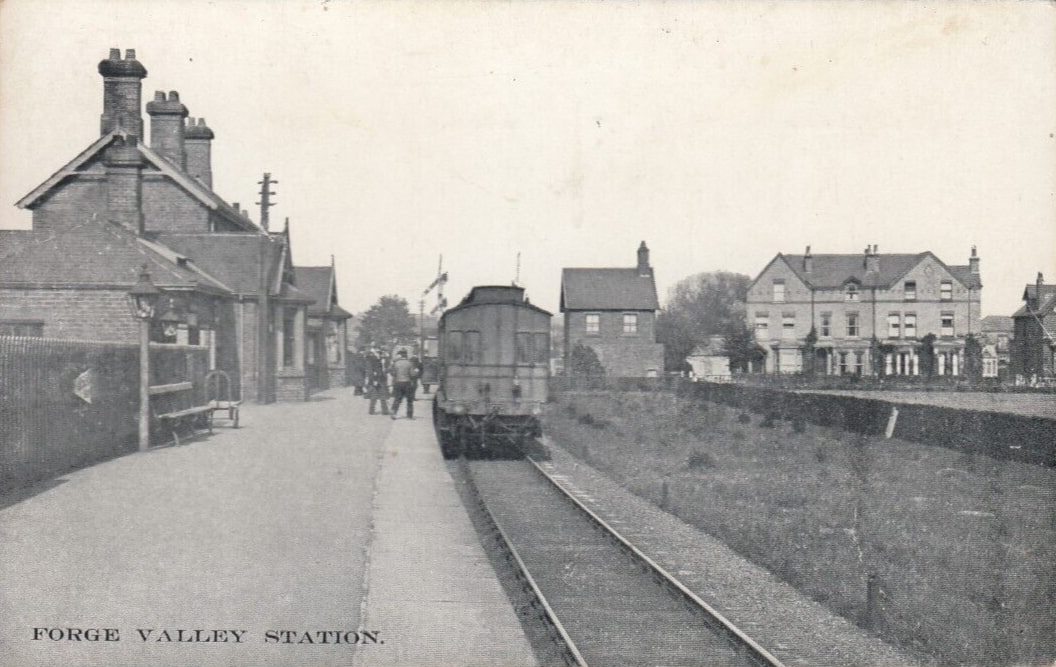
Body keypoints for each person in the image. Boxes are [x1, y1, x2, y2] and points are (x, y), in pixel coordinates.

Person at [388, 349, 417, 420]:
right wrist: (416, 372)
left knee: (397, 398)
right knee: (409, 400)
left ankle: (394, 411)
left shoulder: (396, 363)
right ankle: (409, 416)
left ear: (400, 355)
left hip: (398, 382)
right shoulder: (409, 363)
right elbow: (412, 374)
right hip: (407, 383)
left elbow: (392, 373)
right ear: (406, 355)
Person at [365, 349, 389, 415]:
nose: (380, 354)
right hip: (377, 380)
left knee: (376, 396)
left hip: (378, 379)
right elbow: (374, 371)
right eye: (379, 353)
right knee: (380, 395)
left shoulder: (376, 360)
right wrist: (374, 379)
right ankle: (383, 411)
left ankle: (373, 410)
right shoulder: (375, 361)